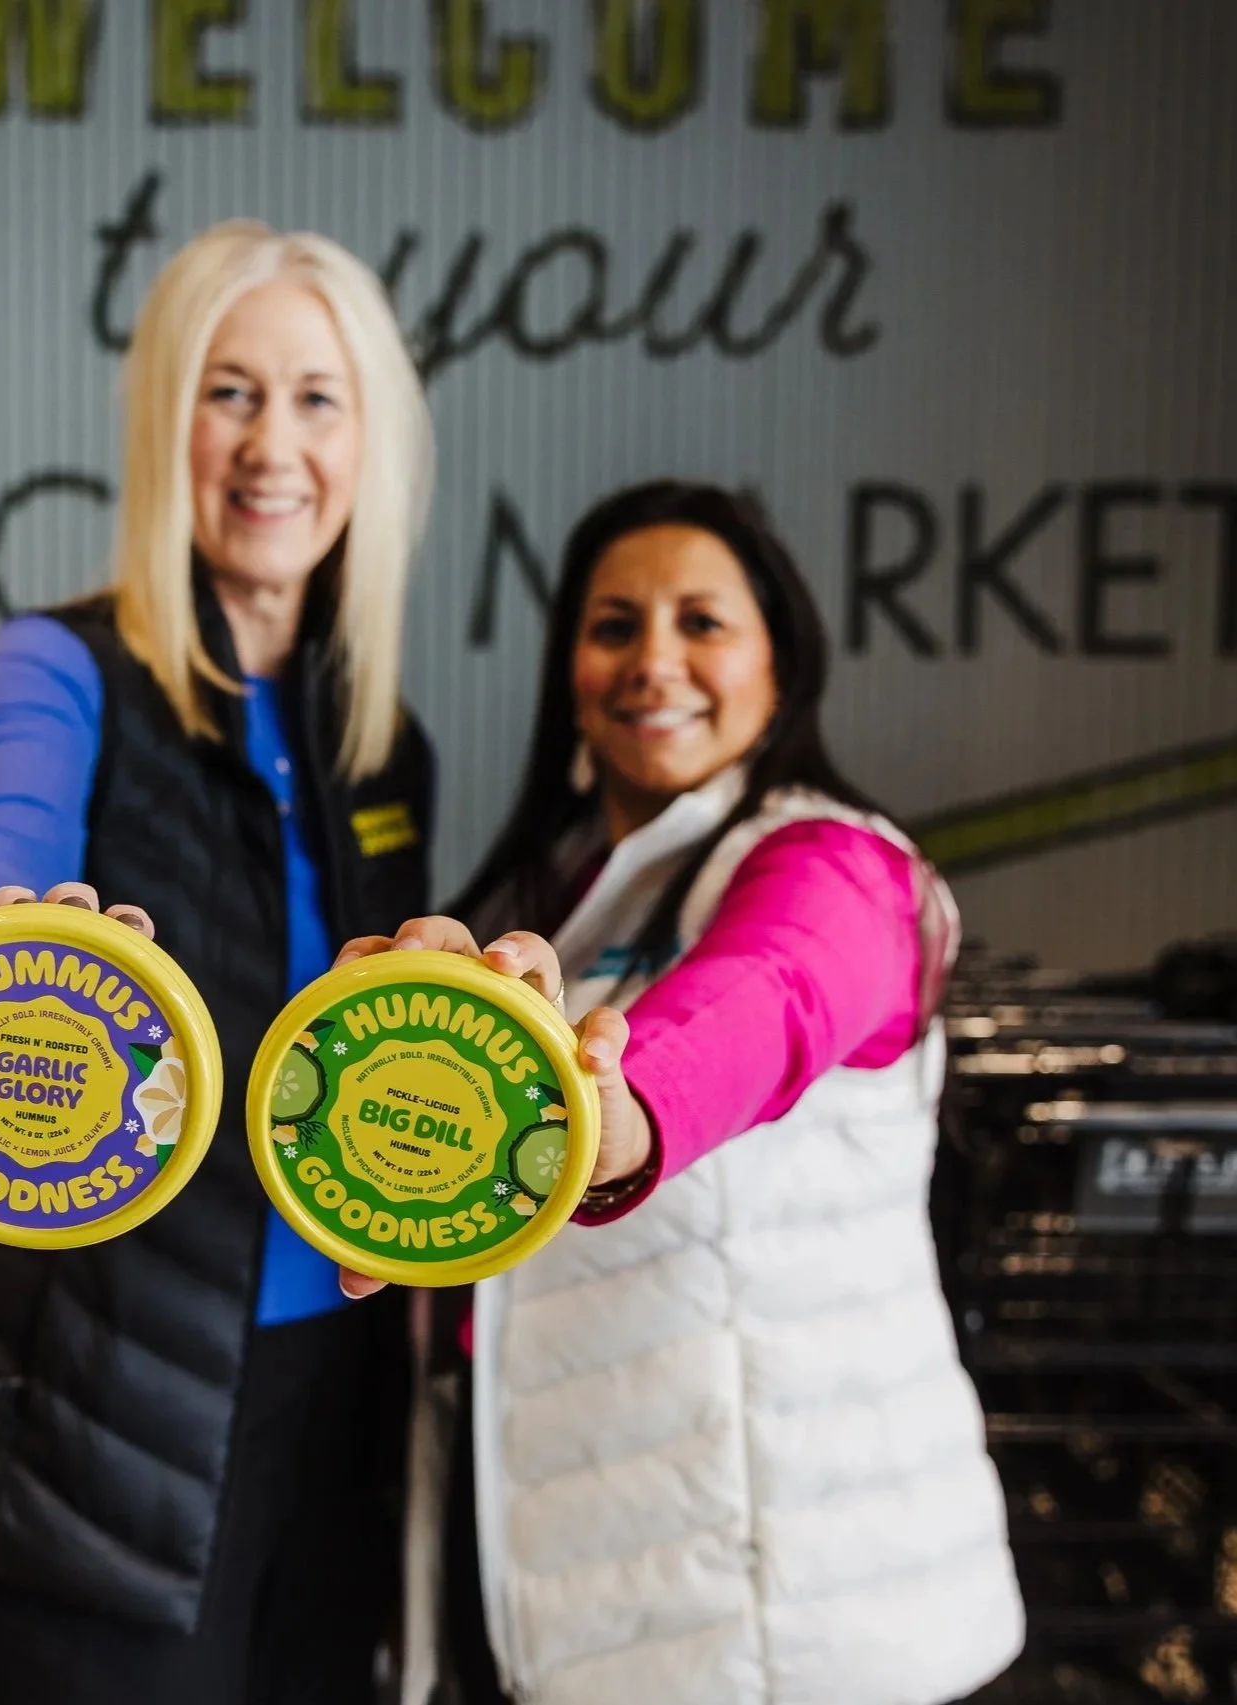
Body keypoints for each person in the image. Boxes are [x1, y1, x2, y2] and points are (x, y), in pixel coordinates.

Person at [0, 220, 436, 1703]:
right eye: (229, 392)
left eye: (316, 397)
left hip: (330, 1392)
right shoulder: (57, 668)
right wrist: (0, 955)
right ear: (166, 420)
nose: (271, 444)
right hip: (97, 1402)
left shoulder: (383, 743)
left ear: (370, 441)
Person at [338, 481, 1024, 1705]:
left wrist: (605, 1114)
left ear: (779, 663)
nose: (654, 661)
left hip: (797, 1634)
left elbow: (763, 1000)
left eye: (701, 622)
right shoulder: (556, 897)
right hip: (587, 1608)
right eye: (614, 627)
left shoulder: (838, 866)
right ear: (570, 673)